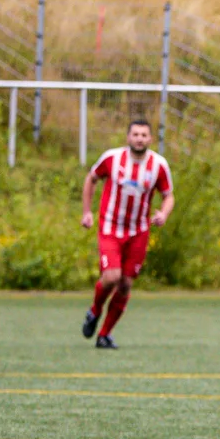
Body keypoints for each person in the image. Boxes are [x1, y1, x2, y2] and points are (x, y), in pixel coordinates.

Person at [80, 118, 173, 350]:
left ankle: (104, 335)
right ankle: (94, 311)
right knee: (112, 276)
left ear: (150, 139)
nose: (139, 139)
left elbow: (168, 195)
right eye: (136, 134)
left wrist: (163, 213)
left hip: (138, 231)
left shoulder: (158, 165)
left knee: (125, 284)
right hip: (111, 227)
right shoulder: (112, 158)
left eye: (144, 135)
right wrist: (87, 212)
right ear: (128, 137)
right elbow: (91, 178)